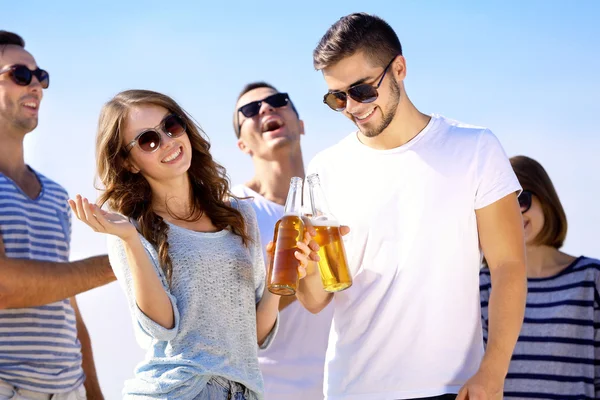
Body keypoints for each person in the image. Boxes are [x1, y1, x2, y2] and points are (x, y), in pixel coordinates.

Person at [296, 13, 528, 400]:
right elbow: (315, 299)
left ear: (399, 69)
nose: (352, 106)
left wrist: (494, 370)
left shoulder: (474, 148)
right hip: (351, 390)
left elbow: (508, 265)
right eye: (337, 97)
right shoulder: (325, 169)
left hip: (451, 389)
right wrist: (307, 270)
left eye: (362, 90)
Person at [69, 89, 316, 399]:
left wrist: (280, 277)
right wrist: (131, 241)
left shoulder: (239, 215)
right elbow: (162, 326)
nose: (169, 141)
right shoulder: (128, 228)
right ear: (128, 162)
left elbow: (253, 334)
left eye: (171, 125)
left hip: (245, 391)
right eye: (148, 140)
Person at [0, 30, 115, 400]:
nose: (36, 86)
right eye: (20, 74)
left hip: (69, 392)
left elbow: (66, 296)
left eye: (41, 76)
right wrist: (123, 259)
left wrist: (93, 393)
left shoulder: (55, 195)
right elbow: (4, 286)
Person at [231, 82, 333, 399]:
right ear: (242, 146)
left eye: (278, 101)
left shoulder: (338, 200)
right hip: (269, 391)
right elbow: (230, 323)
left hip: (349, 385)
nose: (266, 108)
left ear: (301, 125)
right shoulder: (231, 213)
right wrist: (293, 273)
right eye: (250, 110)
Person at [480, 155, 599, 399]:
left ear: (545, 200)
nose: (512, 213)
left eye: (521, 199)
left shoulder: (592, 279)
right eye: (499, 205)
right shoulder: (480, 285)